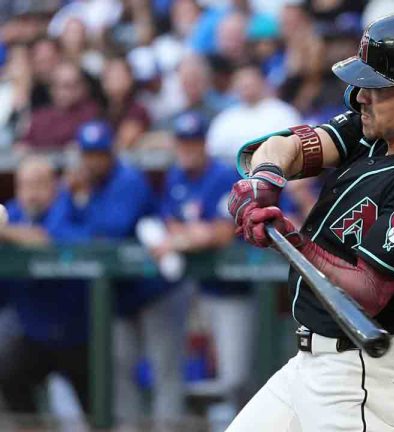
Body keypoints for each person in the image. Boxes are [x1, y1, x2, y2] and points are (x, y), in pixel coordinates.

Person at [225, 11, 394, 431]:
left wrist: (293, 239)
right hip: (311, 365)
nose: (359, 97)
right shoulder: (373, 130)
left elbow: (369, 292)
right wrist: (265, 179)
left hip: (363, 375)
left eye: (375, 88)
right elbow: (287, 148)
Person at [49, 120, 184, 423]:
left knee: (165, 373)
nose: (93, 160)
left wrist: (82, 220)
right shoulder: (79, 186)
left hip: (154, 289)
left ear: (111, 153)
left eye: (99, 153)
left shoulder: (129, 180)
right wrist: (72, 197)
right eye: (88, 154)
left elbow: (111, 233)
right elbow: (56, 230)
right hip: (118, 296)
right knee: (119, 372)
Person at [156, 111, 246, 414]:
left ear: (204, 143)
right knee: (202, 375)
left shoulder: (223, 175)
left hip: (236, 288)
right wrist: (190, 235)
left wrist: (184, 239)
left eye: (194, 142)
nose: (188, 148)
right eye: (183, 142)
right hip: (199, 289)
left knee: (238, 378)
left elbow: (221, 233)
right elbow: (169, 223)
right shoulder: (175, 176)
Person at [0, 156, 90, 418]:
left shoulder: (68, 207)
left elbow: (45, 240)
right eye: (26, 185)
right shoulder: (14, 212)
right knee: (8, 373)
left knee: (97, 412)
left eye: (39, 184)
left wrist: (4, 233)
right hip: (33, 334)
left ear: (54, 186)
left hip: (80, 335)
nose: (32, 193)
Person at [206, 62, 301, 160]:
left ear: (262, 82)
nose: (247, 88)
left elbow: (294, 146)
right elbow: (214, 149)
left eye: (251, 83)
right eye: (242, 85)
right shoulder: (226, 117)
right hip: (234, 171)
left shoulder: (283, 112)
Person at [15, 62, 100, 151]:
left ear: (81, 87)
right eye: (57, 85)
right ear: (51, 89)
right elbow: (24, 144)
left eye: (69, 86)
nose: (63, 92)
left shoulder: (91, 115)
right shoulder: (40, 117)